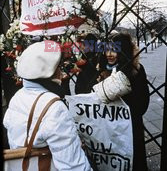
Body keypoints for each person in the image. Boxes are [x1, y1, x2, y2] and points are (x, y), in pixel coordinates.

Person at [3, 41, 91, 170]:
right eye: (58, 67)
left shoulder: (18, 96)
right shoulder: (54, 107)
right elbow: (73, 166)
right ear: (50, 72)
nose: (61, 72)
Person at [97, 32, 150, 171]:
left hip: (129, 128)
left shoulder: (136, 71)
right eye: (107, 49)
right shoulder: (102, 70)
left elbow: (143, 103)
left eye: (114, 50)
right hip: (108, 128)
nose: (109, 54)